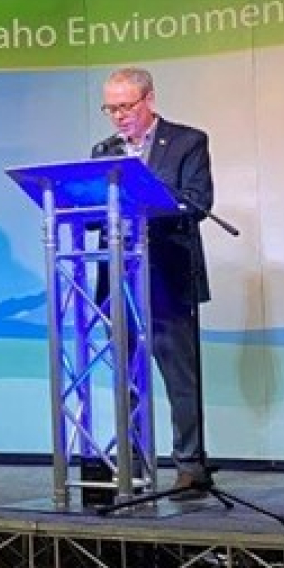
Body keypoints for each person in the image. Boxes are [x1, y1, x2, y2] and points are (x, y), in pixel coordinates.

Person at [93, 66, 213, 493]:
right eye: (111, 108)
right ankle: (132, 463)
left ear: (148, 100)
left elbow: (198, 203)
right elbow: (92, 212)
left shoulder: (187, 142)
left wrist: (147, 193)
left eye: (126, 106)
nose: (119, 116)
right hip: (120, 280)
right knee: (125, 378)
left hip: (168, 277)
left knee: (180, 379)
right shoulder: (104, 151)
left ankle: (191, 466)